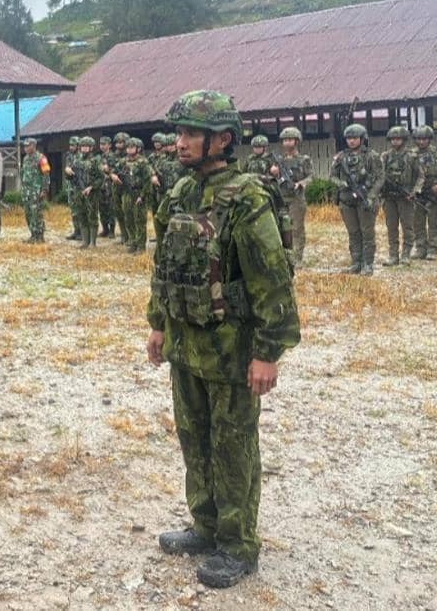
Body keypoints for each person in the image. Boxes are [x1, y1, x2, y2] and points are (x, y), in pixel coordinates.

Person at [147, 90, 300, 590]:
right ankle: (205, 525)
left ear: (223, 139)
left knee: (233, 446)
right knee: (194, 437)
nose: (181, 142)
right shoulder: (180, 194)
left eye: (192, 133)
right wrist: (158, 323)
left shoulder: (247, 198)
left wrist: (268, 352)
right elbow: (164, 265)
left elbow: (272, 278)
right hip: (186, 346)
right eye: (180, 132)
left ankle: (237, 545)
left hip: (232, 351)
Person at [330, 123, 383, 274]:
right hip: (347, 200)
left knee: (367, 233)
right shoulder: (341, 157)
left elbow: (380, 178)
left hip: (365, 199)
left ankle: (368, 264)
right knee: (353, 233)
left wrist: (372, 196)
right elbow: (332, 176)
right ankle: (356, 262)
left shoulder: (371, 156)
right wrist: (342, 184)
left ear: (362, 138)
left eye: (354, 138)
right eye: (349, 138)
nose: (351, 141)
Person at [378, 125, 420, 266]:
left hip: (405, 197)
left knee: (407, 226)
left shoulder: (412, 156)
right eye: (393, 139)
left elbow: (420, 176)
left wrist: (414, 192)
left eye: (398, 139)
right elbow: (378, 175)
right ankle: (393, 255)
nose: (395, 141)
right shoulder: (385, 156)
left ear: (404, 139)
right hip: (389, 197)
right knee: (391, 227)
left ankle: (406, 254)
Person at [411, 125, 437, 260]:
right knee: (417, 223)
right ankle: (420, 248)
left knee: (435, 222)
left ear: (429, 139)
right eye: (418, 139)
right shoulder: (411, 155)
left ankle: (433, 249)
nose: (421, 142)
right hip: (418, 193)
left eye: (424, 139)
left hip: (434, 193)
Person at [274, 127, 314, 266]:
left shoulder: (304, 159)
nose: (287, 143)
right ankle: (285, 256)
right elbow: (273, 178)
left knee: (297, 228)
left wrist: (301, 183)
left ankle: (297, 257)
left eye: (290, 140)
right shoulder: (279, 160)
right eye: (285, 140)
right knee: (281, 228)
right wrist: (274, 173)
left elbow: (311, 176)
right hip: (282, 198)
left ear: (297, 141)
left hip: (297, 198)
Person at [114, 137, 152, 253]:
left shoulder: (143, 162)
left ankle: (141, 246)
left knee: (139, 220)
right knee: (128, 219)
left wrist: (142, 195)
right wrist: (114, 176)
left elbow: (148, 180)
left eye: (132, 147)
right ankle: (133, 242)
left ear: (138, 148)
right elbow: (112, 171)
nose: (129, 150)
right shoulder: (123, 161)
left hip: (138, 193)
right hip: (126, 194)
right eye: (128, 147)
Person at [66, 136, 104, 248]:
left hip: (91, 193)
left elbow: (101, 178)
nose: (84, 148)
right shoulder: (77, 161)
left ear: (91, 147)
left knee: (92, 217)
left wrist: (91, 187)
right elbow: (71, 178)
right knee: (81, 216)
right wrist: (68, 173)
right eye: (82, 146)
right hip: (79, 192)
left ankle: (93, 242)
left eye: (86, 146)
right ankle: (85, 242)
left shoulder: (95, 161)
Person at [150, 133, 182, 243]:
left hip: (177, 193)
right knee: (161, 218)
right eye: (167, 145)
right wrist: (153, 175)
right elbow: (152, 168)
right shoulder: (163, 158)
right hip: (163, 192)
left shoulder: (182, 158)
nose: (170, 147)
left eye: (172, 145)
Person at [20, 137, 50, 243]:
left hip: (36, 190)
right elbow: (23, 174)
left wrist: (45, 189)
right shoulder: (25, 159)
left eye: (28, 146)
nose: (26, 148)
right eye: (25, 146)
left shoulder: (41, 158)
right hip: (27, 191)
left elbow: (46, 174)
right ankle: (33, 235)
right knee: (28, 213)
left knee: (37, 213)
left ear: (34, 146)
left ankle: (40, 236)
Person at [97, 135, 117, 238]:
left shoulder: (112, 157)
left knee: (111, 208)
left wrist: (107, 169)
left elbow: (116, 170)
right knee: (102, 208)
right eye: (101, 144)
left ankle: (112, 231)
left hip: (110, 185)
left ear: (109, 145)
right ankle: (105, 229)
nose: (102, 146)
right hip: (101, 186)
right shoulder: (99, 157)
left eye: (104, 144)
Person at [63, 136, 82, 241]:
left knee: (80, 210)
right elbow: (67, 167)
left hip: (79, 187)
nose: (71, 147)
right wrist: (67, 169)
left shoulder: (81, 156)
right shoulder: (69, 156)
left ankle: (82, 232)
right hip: (71, 187)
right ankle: (76, 231)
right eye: (70, 145)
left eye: (73, 145)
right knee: (73, 210)